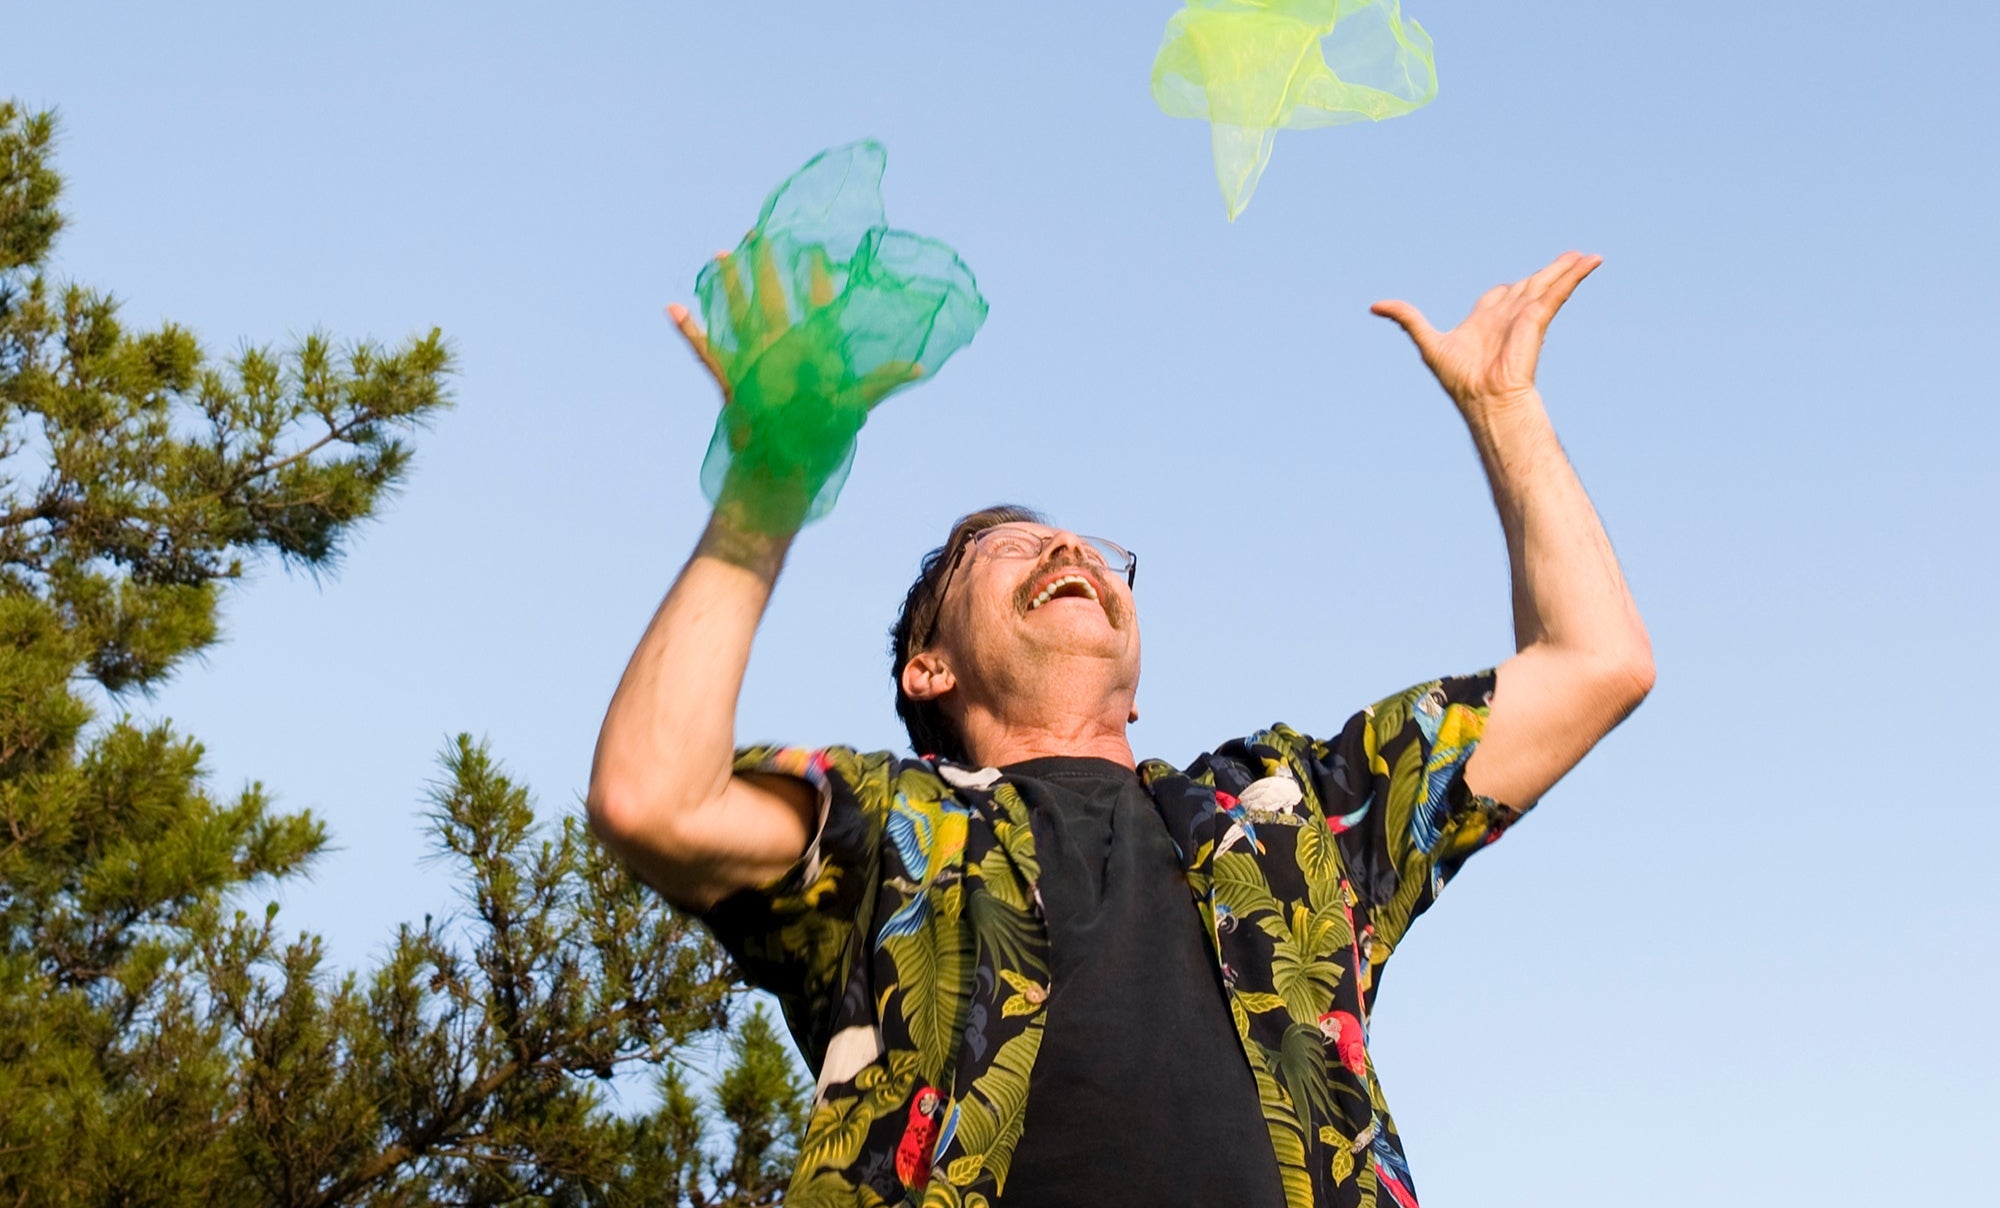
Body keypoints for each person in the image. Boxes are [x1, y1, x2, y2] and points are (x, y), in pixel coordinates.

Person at [588, 250, 1654, 1208]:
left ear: (1136, 682)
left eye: (1094, 549)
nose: (1068, 548)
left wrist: (1504, 407)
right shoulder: (891, 831)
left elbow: (1593, 661)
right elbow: (653, 796)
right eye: (1007, 546)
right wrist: (764, 495)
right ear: (930, 666)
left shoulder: (1287, 815)